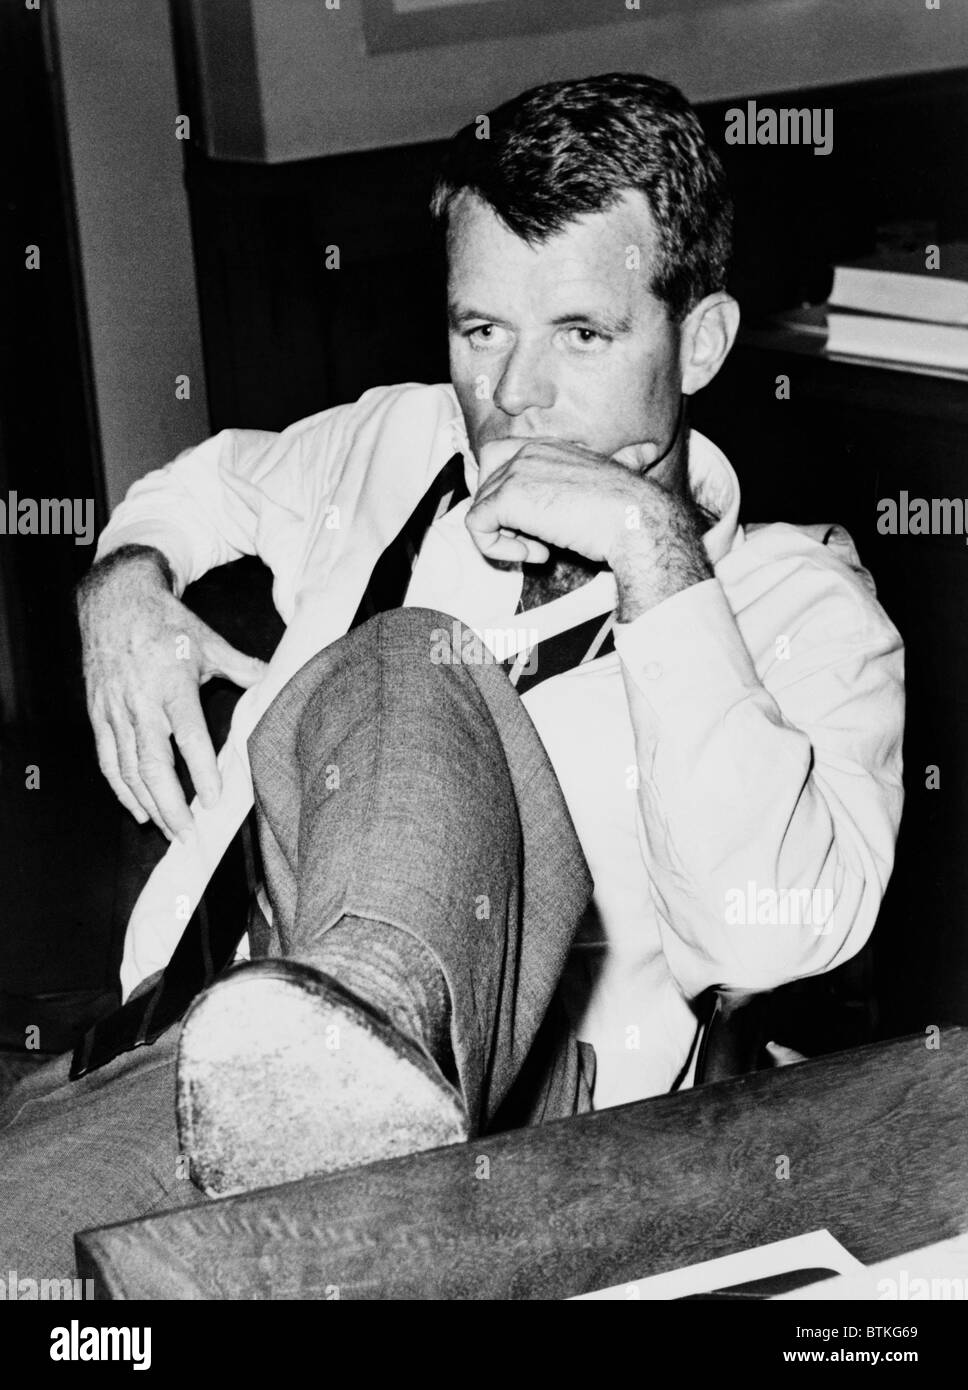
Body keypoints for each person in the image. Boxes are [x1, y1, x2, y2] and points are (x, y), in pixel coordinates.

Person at [0, 73, 904, 1272]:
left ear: (701, 341)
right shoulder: (399, 445)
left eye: (580, 334)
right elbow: (211, 481)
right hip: (157, 1064)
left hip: (513, 1145)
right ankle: (288, 1094)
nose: (511, 394)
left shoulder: (799, 610)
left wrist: (653, 557)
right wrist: (125, 584)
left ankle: (350, 1053)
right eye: (482, 331)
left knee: (418, 664)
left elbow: (760, 935)